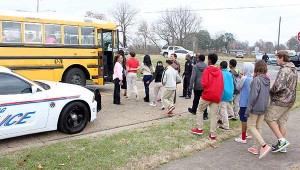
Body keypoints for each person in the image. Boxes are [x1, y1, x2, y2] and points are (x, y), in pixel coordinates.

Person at [265, 50, 298, 153]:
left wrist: (270, 91)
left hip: (280, 100)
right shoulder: (293, 69)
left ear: (282, 58)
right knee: (282, 121)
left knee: (269, 118)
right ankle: (282, 147)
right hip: (290, 100)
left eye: (278, 57)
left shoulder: (284, 70)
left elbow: (278, 86)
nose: (276, 59)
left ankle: (282, 141)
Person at [190, 53, 224, 141]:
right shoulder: (220, 71)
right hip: (216, 95)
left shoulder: (207, 70)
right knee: (214, 114)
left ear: (209, 60)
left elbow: (204, 83)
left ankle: (199, 128)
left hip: (207, 94)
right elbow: (221, 84)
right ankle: (213, 134)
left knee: (200, 110)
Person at [245, 60, 271, 159]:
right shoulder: (267, 80)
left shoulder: (256, 80)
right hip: (264, 106)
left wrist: (248, 109)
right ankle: (256, 147)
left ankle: (264, 145)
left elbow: (253, 96)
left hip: (256, 107)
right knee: (259, 127)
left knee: (251, 126)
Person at [234, 62, 254, 144]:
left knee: (243, 119)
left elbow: (238, 87)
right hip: (250, 102)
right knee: (245, 118)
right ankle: (245, 134)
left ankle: (243, 137)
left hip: (243, 102)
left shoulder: (244, 78)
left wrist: (239, 78)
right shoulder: (253, 78)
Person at [188, 54, 208, 120]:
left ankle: (194, 110)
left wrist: (190, 87)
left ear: (198, 59)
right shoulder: (206, 66)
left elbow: (193, 77)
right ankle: (205, 114)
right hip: (205, 86)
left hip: (197, 85)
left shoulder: (195, 66)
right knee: (204, 100)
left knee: (196, 99)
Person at [218, 61, 234, 130]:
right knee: (224, 107)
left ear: (220, 66)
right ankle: (221, 119)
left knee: (223, 109)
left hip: (223, 93)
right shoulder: (229, 74)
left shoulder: (220, 73)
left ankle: (225, 125)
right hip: (230, 92)